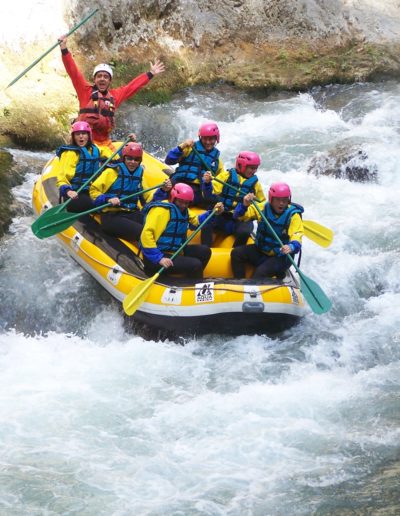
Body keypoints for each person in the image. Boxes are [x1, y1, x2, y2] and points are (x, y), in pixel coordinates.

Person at [58, 35, 165, 149]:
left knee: (118, 162)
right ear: (94, 79)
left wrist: (150, 74)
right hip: (85, 143)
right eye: (99, 76)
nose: (102, 79)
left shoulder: (115, 96)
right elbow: (73, 71)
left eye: (105, 77)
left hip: (105, 143)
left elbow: (132, 87)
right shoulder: (85, 90)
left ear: (109, 81)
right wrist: (64, 48)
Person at [89, 142, 170, 241]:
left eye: (136, 159)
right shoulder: (112, 172)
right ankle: (152, 254)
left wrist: (162, 190)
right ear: (124, 158)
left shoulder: (139, 176)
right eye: (129, 159)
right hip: (111, 216)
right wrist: (107, 199)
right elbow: (93, 191)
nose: (132, 162)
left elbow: (148, 199)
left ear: (140, 161)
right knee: (145, 233)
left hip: (131, 213)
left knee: (158, 228)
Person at [140, 183, 224, 278]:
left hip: (174, 251)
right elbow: (146, 235)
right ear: (173, 198)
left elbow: (197, 222)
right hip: (156, 256)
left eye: (186, 203)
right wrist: (159, 258)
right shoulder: (161, 210)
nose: (183, 205)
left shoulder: (184, 211)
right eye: (181, 201)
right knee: (196, 265)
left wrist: (214, 213)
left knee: (204, 251)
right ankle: (190, 284)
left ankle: (186, 279)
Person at [230, 182, 304, 279]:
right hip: (261, 250)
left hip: (280, 257)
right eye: (278, 200)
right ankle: (239, 282)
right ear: (271, 199)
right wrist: (244, 205)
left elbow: (297, 235)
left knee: (260, 273)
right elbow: (239, 216)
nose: (281, 203)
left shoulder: (293, 216)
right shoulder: (262, 207)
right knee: (236, 253)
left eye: (285, 200)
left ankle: (279, 273)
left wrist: (291, 246)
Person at [202, 151, 265, 247]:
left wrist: (250, 210)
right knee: (206, 222)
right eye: (251, 168)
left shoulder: (255, 184)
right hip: (222, 213)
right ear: (241, 165)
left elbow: (262, 203)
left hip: (240, 218)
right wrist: (207, 183)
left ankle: (236, 253)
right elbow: (211, 192)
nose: (254, 171)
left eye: (255, 168)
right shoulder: (226, 176)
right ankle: (205, 248)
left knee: (244, 232)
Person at [56, 121, 113, 213]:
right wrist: (68, 191)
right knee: (100, 206)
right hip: (75, 193)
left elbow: (111, 154)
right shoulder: (70, 153)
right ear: (73, 137)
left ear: (88, 136)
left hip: (91, 191)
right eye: (77, 134)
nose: (81, 136)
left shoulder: (95, 149)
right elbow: (62, 177)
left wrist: (126, 154)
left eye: (83, 134)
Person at [165, 121, 225, 207]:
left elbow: (220, 182)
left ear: (216, 138)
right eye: (205, 139)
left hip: (197, 188)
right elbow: (169, 160)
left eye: (211, 139)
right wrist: (182, 145)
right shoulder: (189, 148)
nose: (208, 142)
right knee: (165, 191)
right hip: (179, 183)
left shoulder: (217, 161)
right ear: (200, 137)